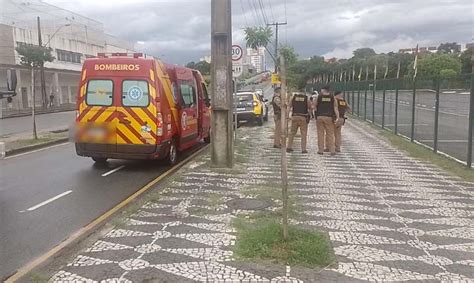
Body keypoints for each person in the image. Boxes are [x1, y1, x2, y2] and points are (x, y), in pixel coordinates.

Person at [314, 86, 340, 155]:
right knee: (330, 134)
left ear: (323, 90)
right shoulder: (332, 97)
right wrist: (338, 117)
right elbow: (335, 108)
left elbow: (314, 106)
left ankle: (320, 150)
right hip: (329, 117)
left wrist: (315, 115)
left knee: (320, 134)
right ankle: (332, 150)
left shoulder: (319, 96)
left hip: (320, 117)